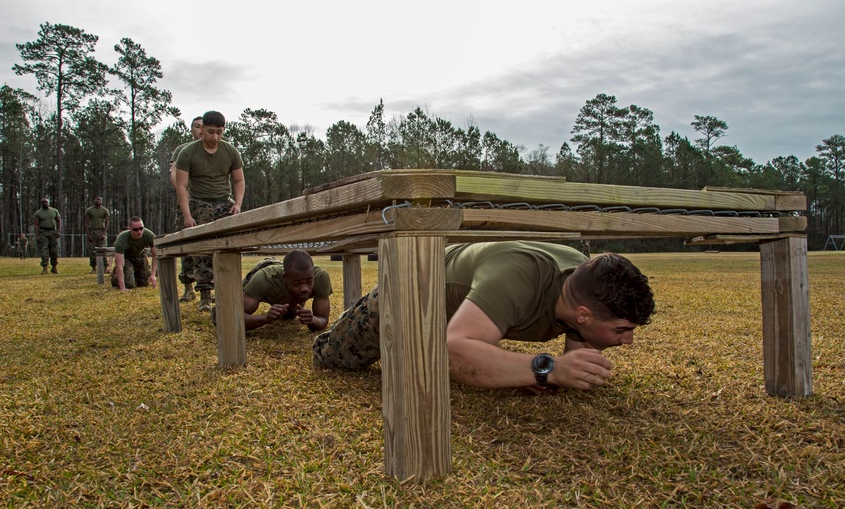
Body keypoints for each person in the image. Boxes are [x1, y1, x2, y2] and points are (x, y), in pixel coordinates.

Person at [313, 242, 655, 393]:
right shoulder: (517, 279)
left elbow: (574, 354)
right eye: (622, 330)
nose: (628, 340)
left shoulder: (582, 283)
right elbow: (455, 351)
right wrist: (545, 370)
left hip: (467, 305)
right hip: (413, 289)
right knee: (333, 358)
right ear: (583, 315)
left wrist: (553, 373)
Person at [173, 110, 246, 312]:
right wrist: (187, 215)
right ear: (202, 129)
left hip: (224, 202)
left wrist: (237, 204)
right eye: (211, 132)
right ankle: (205, 296)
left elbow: (239, 180)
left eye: (220, 132)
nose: (215, 137)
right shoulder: (188, 152)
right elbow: (181, 186)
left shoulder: (231, 152)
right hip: (199, 203)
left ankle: (229, 291)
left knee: (230, 245)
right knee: (202, 250)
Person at [242, 250, 333, 332]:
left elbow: (323, 319)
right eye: (297, 283)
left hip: (289, 289)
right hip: (264, 270)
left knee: (289, 316)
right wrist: (264, 318)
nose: (305, 289)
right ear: (284, 278)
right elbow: (237, 319)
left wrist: (312, 320)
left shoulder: (321, 277)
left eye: (309, 282)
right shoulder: (264, 279)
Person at [169, 116, 203, 303]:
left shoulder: (214, 150)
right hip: (187, 204)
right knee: (186, 245)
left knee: (207, 246)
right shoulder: (182, 150)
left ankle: (207, 289)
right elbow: (174, 173)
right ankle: (188, 288)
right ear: (191, 130)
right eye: (197, 127)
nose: (200, 130)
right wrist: (184, 192)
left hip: (208, 203)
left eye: (203, 127)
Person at [111, 216, 158, 292]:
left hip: (140, 256)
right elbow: (119, 265)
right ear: (130, 229)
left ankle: (131, 274)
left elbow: (155, 255)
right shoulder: (122, 239)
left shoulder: (149, 235)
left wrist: (153, 274)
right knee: (129, 284)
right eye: (135, 229)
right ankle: (116, 278)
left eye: (141, 228)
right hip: (127, 258)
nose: (139, 232)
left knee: (144, 282)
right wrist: (122, 288)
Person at [33, 198, 61, 274]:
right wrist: (37, 235)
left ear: (49, 203)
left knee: (54, 251)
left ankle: (54, 267)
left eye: (47, 202)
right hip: (43, 232)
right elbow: (36, 225)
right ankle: (45, 268)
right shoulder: (38, 213)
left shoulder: (54, 211)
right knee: (44, 251)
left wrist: (58, 231)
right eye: (44, 202)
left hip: (52, 232)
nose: (45, 203)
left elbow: (58, 221)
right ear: (41, 204)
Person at [84, 196, 111, 273]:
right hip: (92, 231)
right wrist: (88, 234)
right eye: (97, 199)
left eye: (100, 200)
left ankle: (105, 267)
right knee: (92, 251)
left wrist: (104, 234)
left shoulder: (105, 210)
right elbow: (86, 222)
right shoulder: (89, 210)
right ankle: (93, 268)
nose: (98, 201)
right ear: (94, 200)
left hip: (101, 231)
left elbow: (107, 223)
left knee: (103, 250)